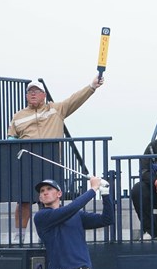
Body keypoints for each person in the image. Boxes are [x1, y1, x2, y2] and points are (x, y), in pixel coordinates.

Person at [7, 76, 104, 242]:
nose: (33, 94)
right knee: (23, 200)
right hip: (26, 164)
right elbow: (11, 138)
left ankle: (44, 236)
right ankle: (19, 237)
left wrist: (92, 86)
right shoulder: (18, 116)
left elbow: (75, 99)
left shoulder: (56, 109)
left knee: (47, 200)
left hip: (51, 163)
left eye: (36, 91)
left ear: (44, 95)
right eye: (30, 91)